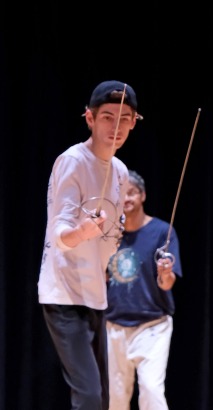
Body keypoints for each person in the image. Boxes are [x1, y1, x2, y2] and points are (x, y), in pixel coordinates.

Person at [38, 80, 141, 409]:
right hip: (64, 295)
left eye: (125, 118)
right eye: (108, 117)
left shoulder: (121, 171)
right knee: (90, 396)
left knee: (103, 397)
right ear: (90, 118)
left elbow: (109, 236)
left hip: (96, 295)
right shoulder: (73, 161)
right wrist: (83, 231)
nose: (117, 126)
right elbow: (60, 235)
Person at [105, 169, 182, 410]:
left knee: (150, 390)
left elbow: (168, 283)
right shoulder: (109, 234)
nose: (126, 199)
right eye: (121, 194)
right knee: (115, 398)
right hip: (113, 326)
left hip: (152, 327)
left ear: (143, 195)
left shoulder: (161, 231)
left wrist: (165, 273)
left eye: (132, 193)